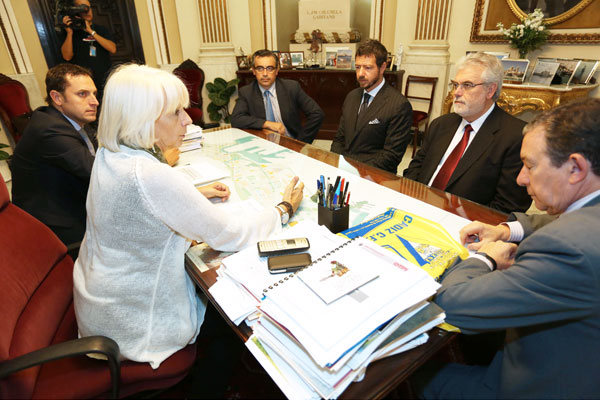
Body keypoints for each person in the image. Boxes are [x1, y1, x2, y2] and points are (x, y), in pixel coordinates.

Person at [73, 64, 304, 370]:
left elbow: (143, 203)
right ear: (143, 120)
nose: (188, 121)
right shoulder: (148, 175)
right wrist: (283, 208)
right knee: (234, 320)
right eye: (175, 113)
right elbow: (231, 233)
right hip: (136, 324)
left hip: (103, 304)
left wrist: (191, 193)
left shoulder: (110, 152)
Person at [420, 98, 600, 399]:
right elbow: (566, 219)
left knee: (408, 377)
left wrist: (485, 259)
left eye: (529, 165)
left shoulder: (570, 250)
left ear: (575, 168)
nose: (521, 178)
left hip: (533, 384)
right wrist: (506, 229)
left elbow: (451, 305)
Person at [403, 52, 530, 213]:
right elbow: (415, 170)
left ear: (490, 90)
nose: (456, 92)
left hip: (464, 226)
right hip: (415, 208)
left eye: (467, 85)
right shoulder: (441, 124)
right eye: (455, 84)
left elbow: (507, 208)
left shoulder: (516, 137)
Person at [11, 63, 98, 255]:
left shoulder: (73, 121)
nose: (94, 102)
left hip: (76, 204)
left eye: (94, 93)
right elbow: (97, 171)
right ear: (57, 98)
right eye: (83, 94)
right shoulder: (49, 129)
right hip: (57, 226)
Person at [330, 39, 412, 174]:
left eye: (368, 67)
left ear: (383, 67)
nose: (360, 74)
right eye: (357, 67)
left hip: (375, 177)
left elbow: (390, 156)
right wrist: (339, 164)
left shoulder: (399, 105)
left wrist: (354, 169)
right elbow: (339, 139)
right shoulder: (351, 96)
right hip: (344, 172)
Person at [231, 49, 324, 144]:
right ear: (254, 71)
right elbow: (236, 119)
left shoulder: (291, 88)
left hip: (290, 142)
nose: (265, 74)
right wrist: (267, 124)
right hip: (262, 143)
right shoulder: (247, 92)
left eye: (270, 68)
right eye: (260, 68)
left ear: (277, 70)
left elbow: (317, 114)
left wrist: (301, 142)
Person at [60, 0, 116, 98]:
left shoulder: (101, 29)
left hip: (105, 79)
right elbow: (67, 57)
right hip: (82, 83)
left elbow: (112, 49)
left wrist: (91, 31)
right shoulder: (70, 32)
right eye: (82, 8)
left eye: (88, 8)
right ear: (76, 11)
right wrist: (69, 33)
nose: (87, 11)